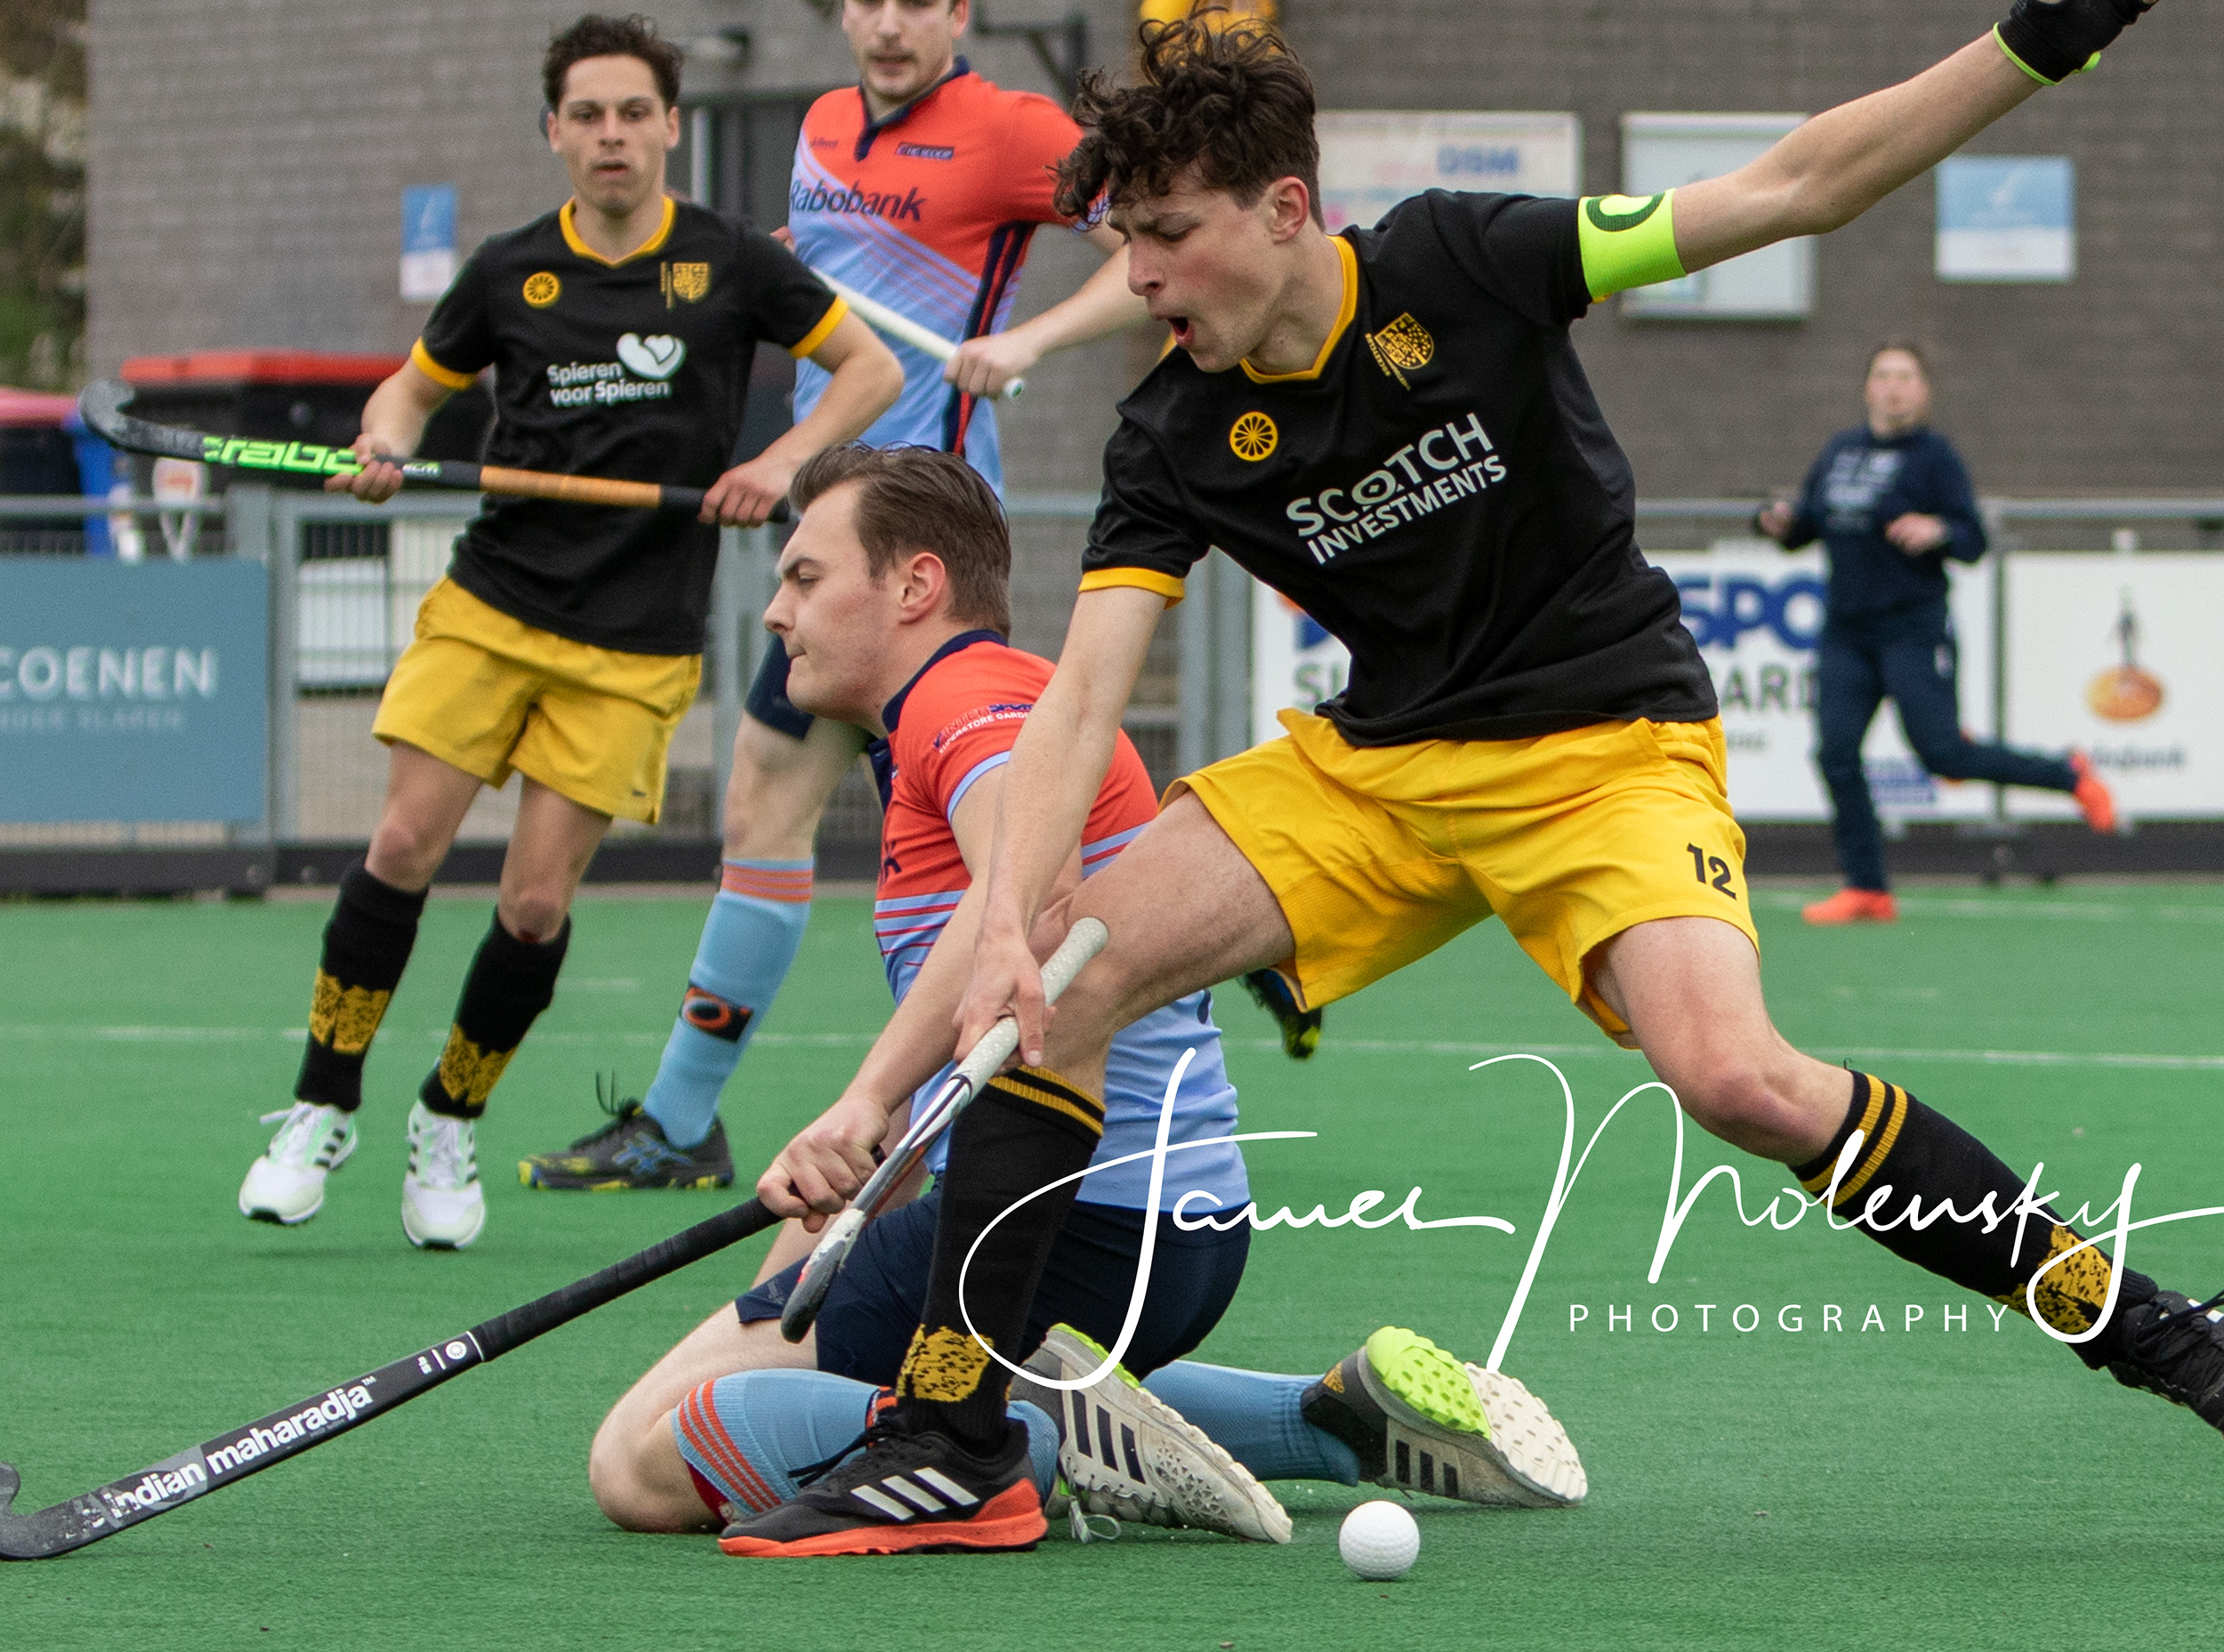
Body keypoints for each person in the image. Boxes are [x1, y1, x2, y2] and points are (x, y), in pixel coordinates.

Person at [734, 0, 2224, 1563]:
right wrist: (1004, 926)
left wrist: (2032, 46)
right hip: (1379, 770)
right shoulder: (1174, 434)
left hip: (1603, 745)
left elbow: (1791, 188)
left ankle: (2139, 1323)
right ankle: (951, 1442)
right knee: (1058, 988)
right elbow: (1080, 707)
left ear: (1286, 207)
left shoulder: (1469, 261)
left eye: (1169, 234)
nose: (1139, 276)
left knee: (1743, 1083)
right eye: (1123, 241)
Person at [577, 446, 1582, 1548]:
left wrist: (864, 1097)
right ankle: (1326, 1419)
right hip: (1167, 1232)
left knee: (639, 1460)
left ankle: (1013, 1441)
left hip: (1070, 1225)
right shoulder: (959, 713)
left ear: (914, 587)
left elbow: (1034, 886)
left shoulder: (968, 695)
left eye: (806, 578)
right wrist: (828, 1211)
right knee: (782, 1329)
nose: (776, 612)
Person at [234, 14, 905, 1249]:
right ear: (554, 131)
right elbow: (411, 390)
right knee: (403, 842)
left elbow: (870, 371)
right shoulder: (508, 271)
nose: (612, 136)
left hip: (637, 638)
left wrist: (781, 463)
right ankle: (322, 1103)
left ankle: (450, 1117)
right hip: (493, 604)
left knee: (537, 904)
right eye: (587, 114)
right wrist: (385, 442)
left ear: (670, 126)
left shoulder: (729, 263)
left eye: (633, 113)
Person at [524, 0, 1148, 1191]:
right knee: (782, 800)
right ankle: (698, 1120)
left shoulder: (1008, 130)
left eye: (916, 2)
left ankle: (1015, 1111)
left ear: (959, 12)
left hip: (926, 552)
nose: (888, 25)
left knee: (978, 844)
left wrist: (1030, 339)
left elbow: (1152, 247)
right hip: (834, 529)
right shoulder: (820, 127)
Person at [1757, 339, 2115, 923]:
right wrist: (1777, 522)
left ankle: (2068, 774)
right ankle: (1867, 887)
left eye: (1906, 377)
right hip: (1847, 633)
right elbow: (1807, 526)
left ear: (1923, 391)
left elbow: (1973, 541)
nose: (1894, 387)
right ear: (1867, 387)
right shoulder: (1841, 451)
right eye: (1884, 375)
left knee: (1943, 754)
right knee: (1836, 754)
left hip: (1912, 628)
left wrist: (1938, 529)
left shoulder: (1934, 457)